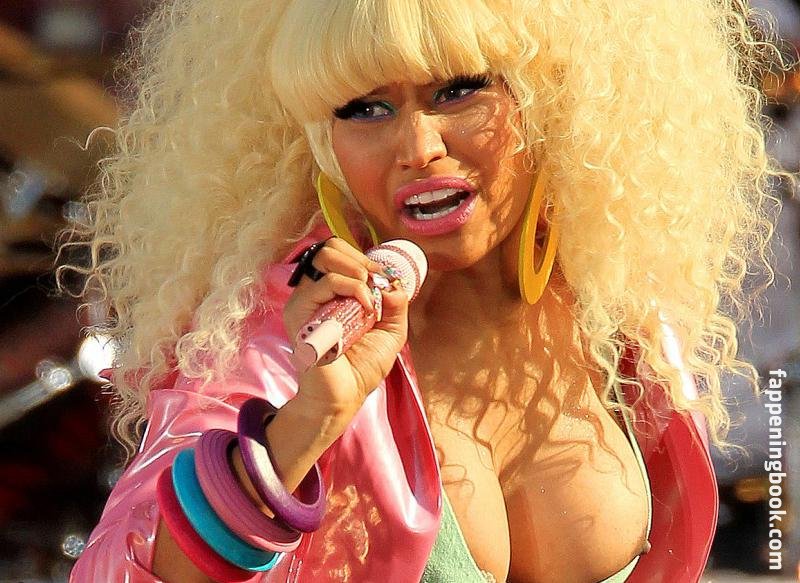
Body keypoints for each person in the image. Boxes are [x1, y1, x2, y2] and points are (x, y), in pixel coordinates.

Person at [65, 0, 785, 581]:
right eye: (364, 108)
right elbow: (119, 570)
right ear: (322, 144)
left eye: (459, 88)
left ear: (552, 99)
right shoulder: (288, 332)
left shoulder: (613, 309)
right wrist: (307, 423)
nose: (418, 147)